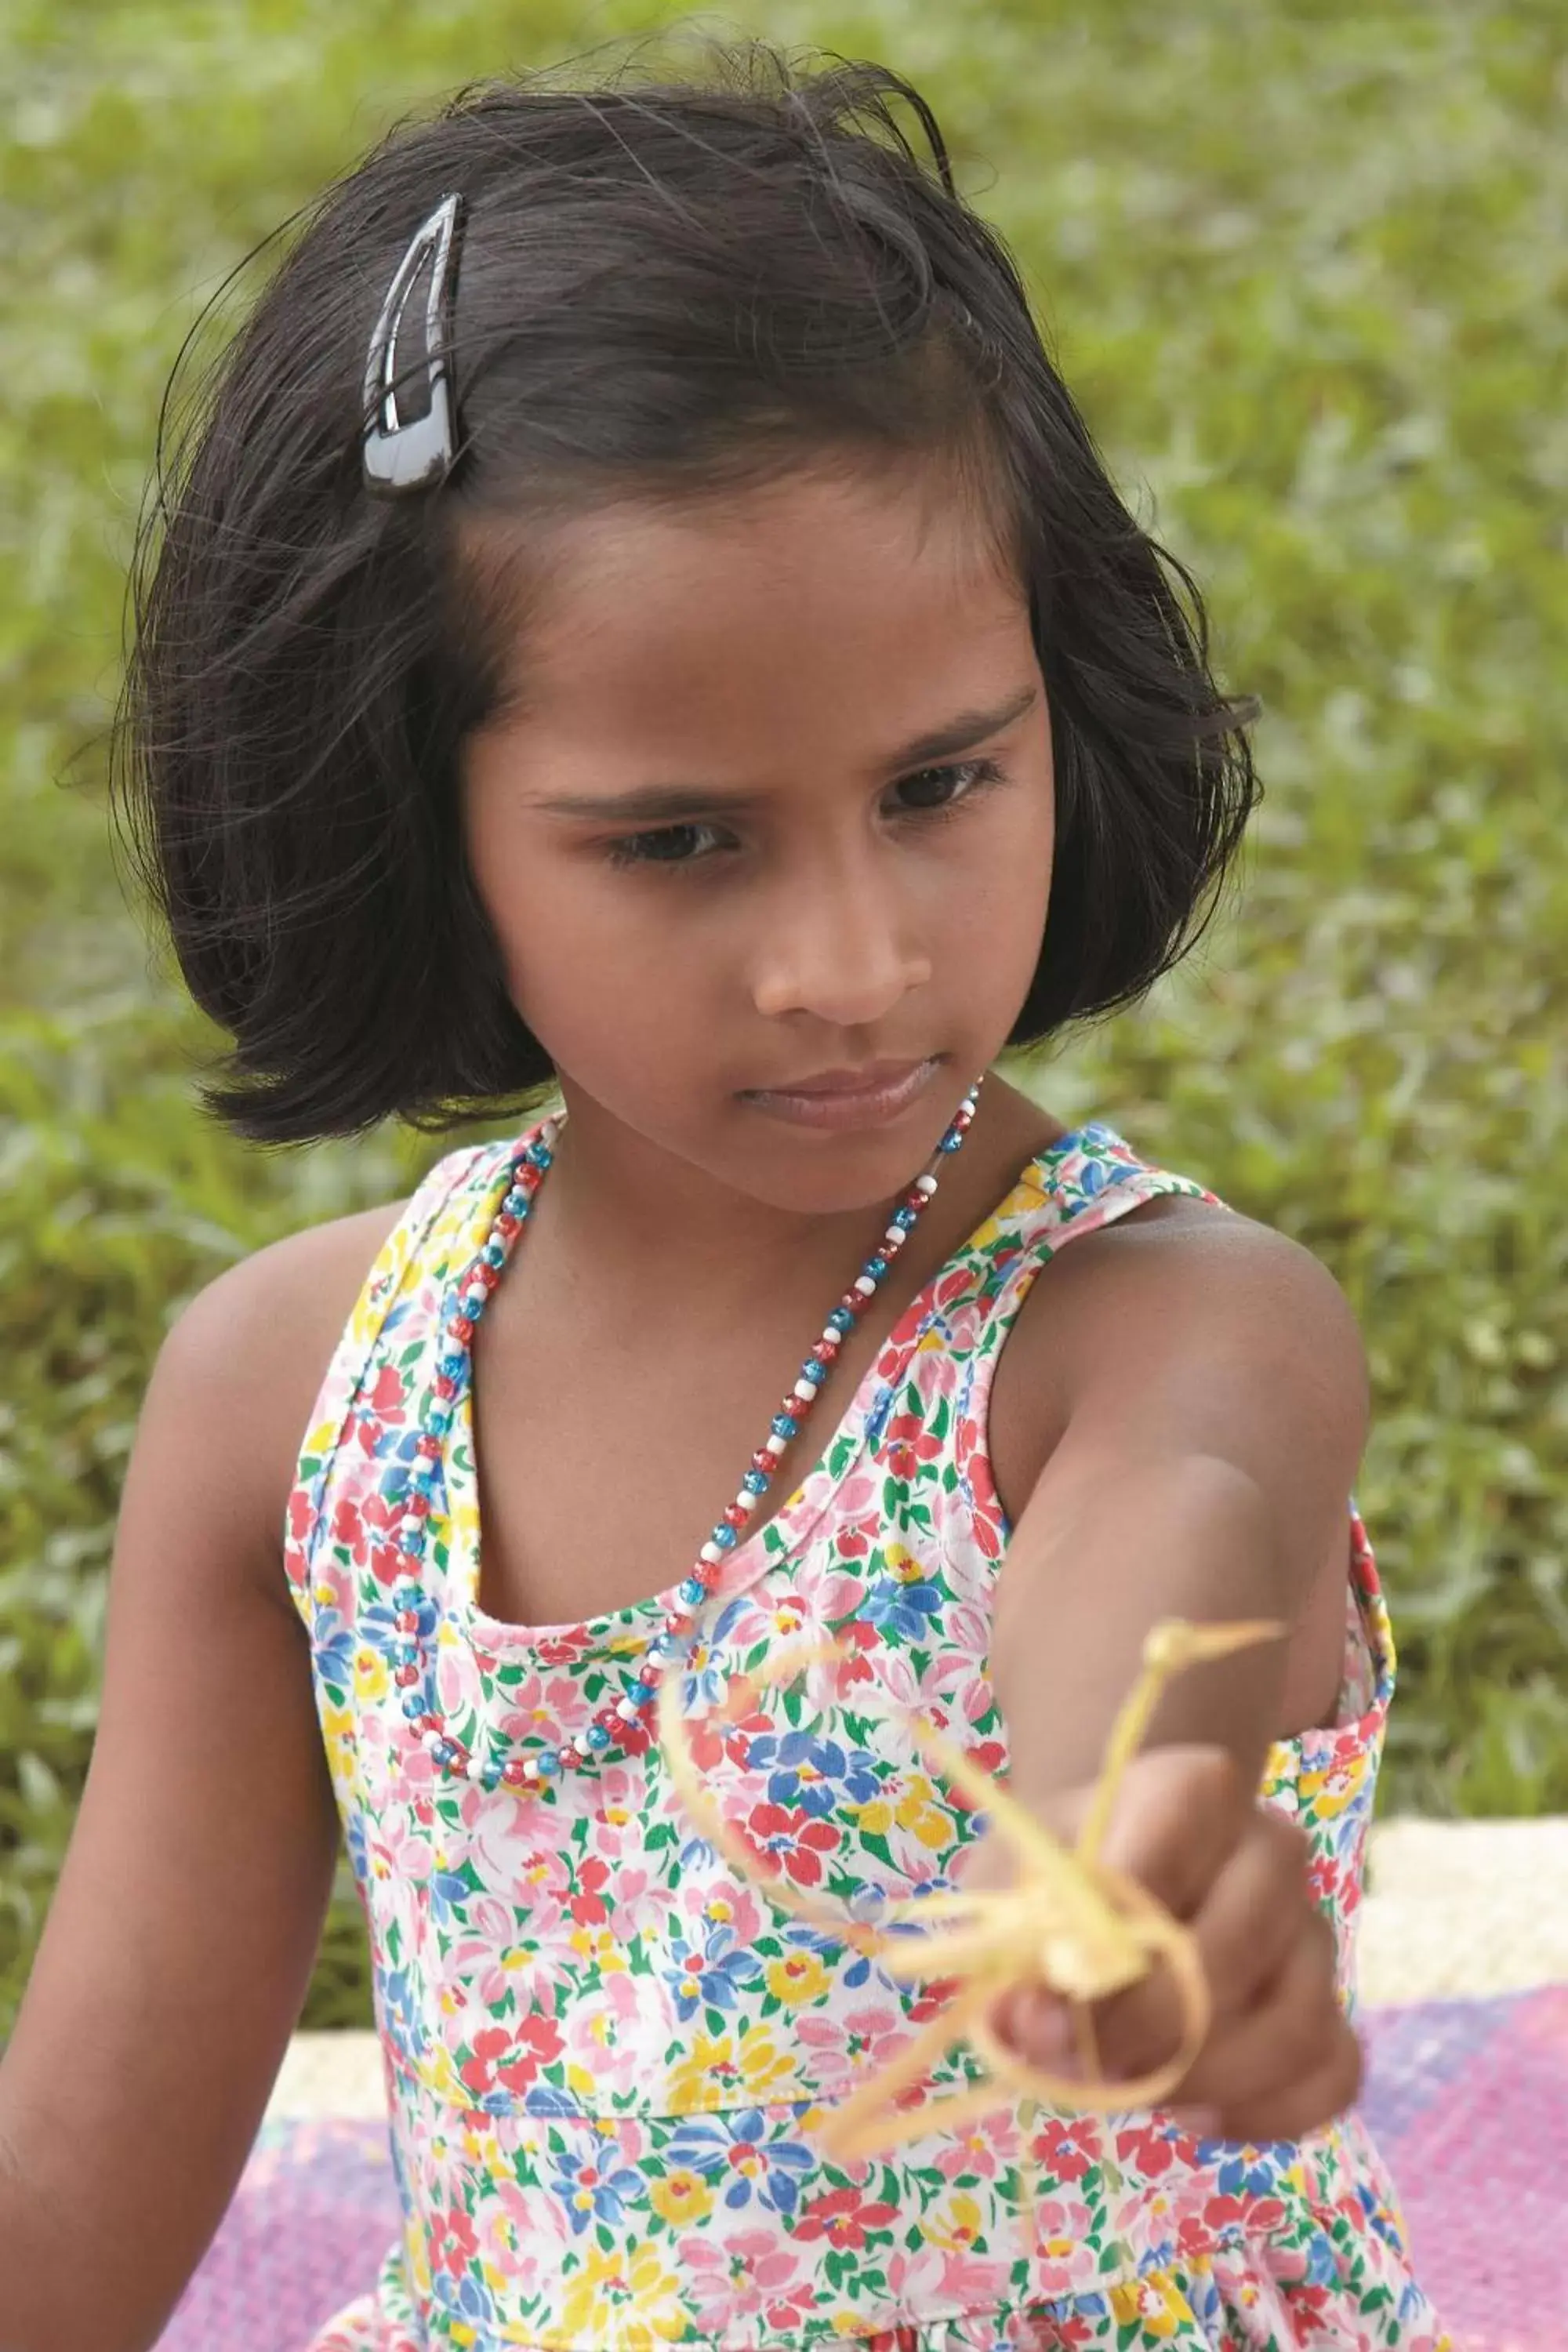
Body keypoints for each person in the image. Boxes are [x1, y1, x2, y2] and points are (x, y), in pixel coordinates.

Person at [0, 36, 1448, 2352]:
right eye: (681, 839)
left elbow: (1159, 1579)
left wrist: (1120, 1855)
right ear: (408, 815)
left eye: (942, 783)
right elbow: (77, 2181)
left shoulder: (1158, 1331)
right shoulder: (288, 1401)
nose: (856, 964)